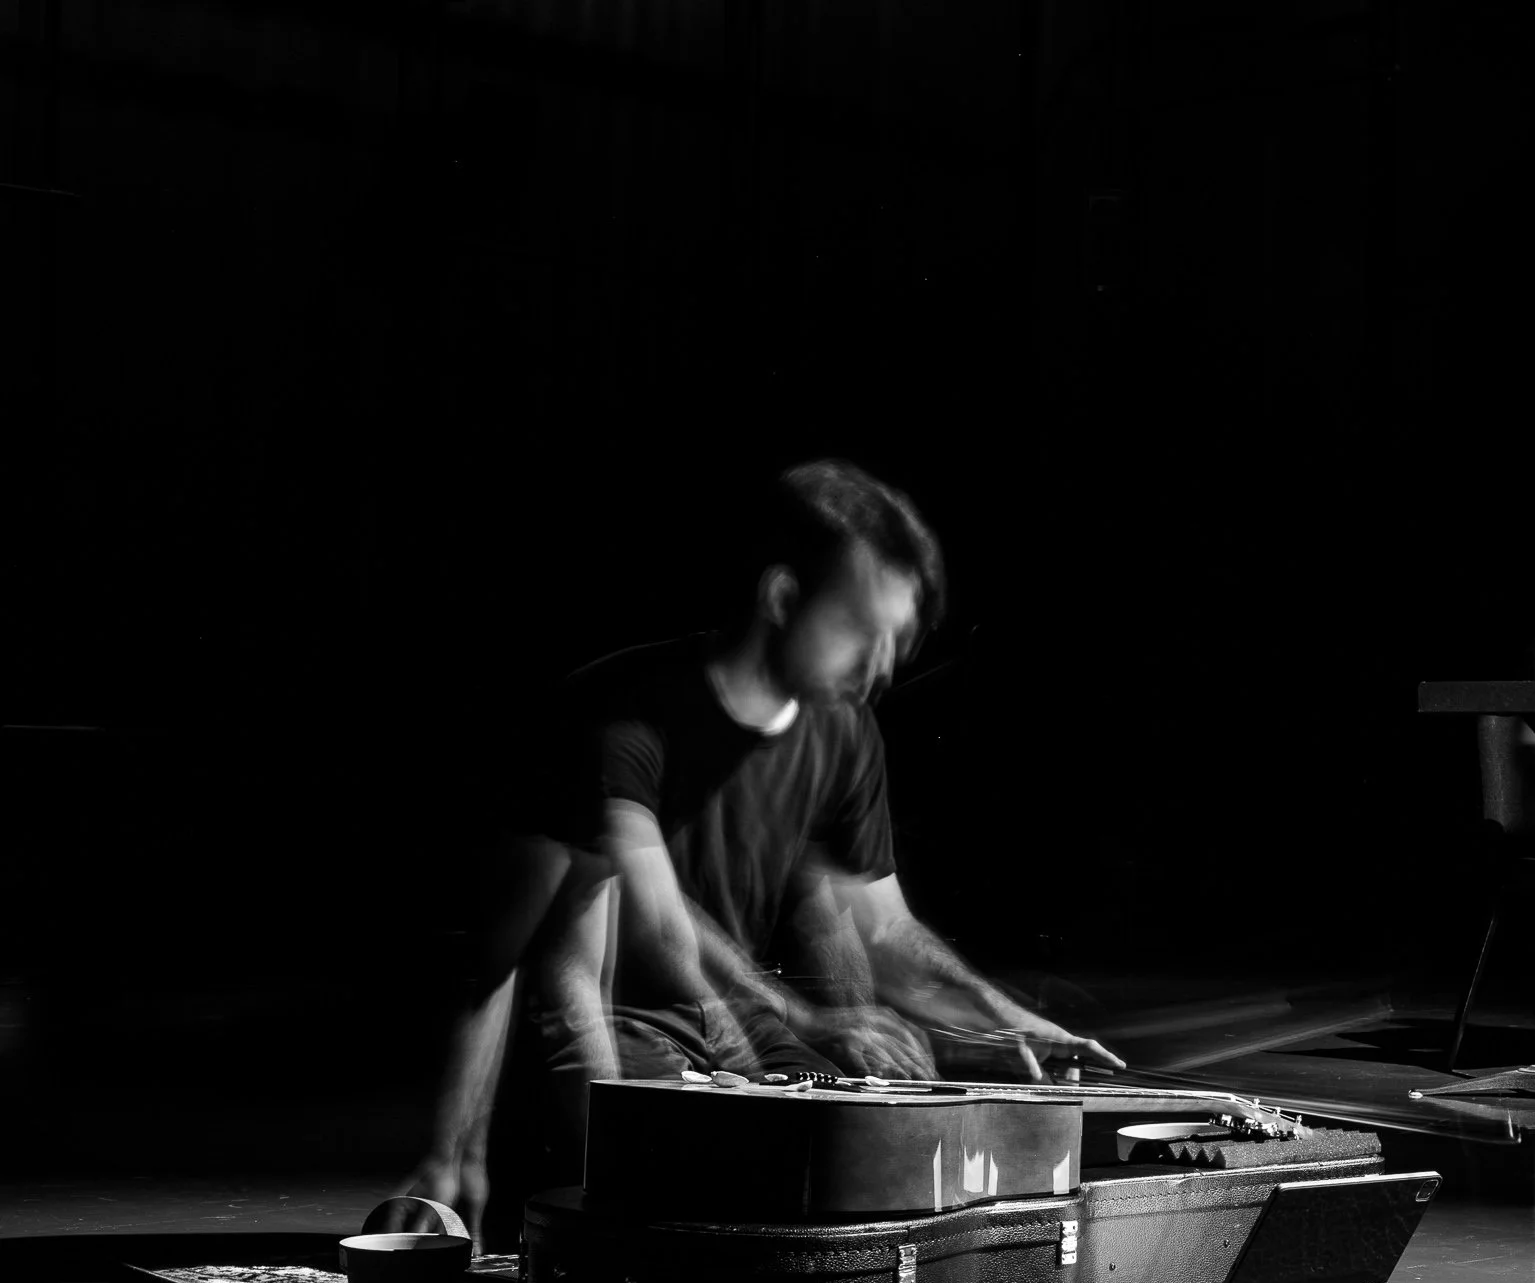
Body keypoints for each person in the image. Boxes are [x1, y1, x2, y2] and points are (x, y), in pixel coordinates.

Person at [399, 460, 1121, 1237]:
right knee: (703, 1205)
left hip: (738, 1022)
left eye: (896, 641)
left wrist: (1006, 1021)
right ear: (782, 598)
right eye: (861, 632)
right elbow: (653, 923)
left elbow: (884, 928)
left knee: (874, 1148)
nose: (880, 667)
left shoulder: (844, 731)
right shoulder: (630, 715)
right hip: (630, 1023)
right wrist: (452, 1153)